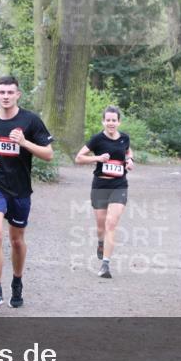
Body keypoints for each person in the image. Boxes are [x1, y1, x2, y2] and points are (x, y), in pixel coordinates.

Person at [0, 76, 54, 313]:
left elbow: (49, 154)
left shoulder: (30, 121)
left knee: (17, 241)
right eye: (2, 92)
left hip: (20, 190)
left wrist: (24, 142)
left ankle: (17, 282)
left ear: (18, 95)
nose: (6, 96)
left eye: (10, 92)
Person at [75, 105, 133, 279]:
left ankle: (105, 264)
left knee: (111, 223)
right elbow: (78, 158)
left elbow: (128, 151)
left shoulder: (124, 138)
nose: (111, 123)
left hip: (119, 185)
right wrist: (97, 158)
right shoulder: (97, 139)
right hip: (100, 185)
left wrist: (130, 160)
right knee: (101, 226)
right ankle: (101, 243)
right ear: (103, 121)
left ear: (119, 122)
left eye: (114, 120)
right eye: (108, 120)